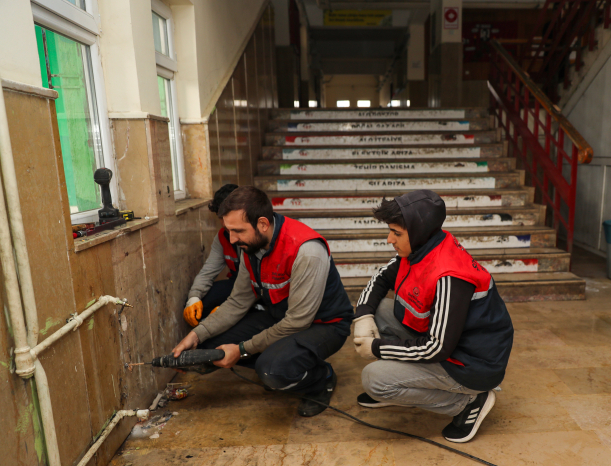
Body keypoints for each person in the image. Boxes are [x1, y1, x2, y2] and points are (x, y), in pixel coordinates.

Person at [172, 186, 354, 417]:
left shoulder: (305, 250)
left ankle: (321, 378)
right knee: (210, 346)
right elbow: (238, 302)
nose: (232, 239)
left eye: (238, 231)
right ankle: (284, 360)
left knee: (271, 370)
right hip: (281, 317)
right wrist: (195, 335)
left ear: (263, 224)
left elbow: (298, 322)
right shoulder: (252, 246)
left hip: (324, 325)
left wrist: (241, 350)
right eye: (228, 230)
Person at [352, 190, 514, 443]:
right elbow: (382, 277)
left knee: (374, 380)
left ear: (416, 231)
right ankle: (401, 389)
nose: (389, 239)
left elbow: (437, 348)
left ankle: (467, 402)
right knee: (380, 310)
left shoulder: (449, 276)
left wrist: (377, 348)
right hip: (448, 342)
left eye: (396, 233)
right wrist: (362, 316)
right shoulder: (421, 247)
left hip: (470, 365)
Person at [183, 183, 240, 327]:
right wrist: (194, 298)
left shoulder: (255, 235)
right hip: (236, 285)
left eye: (228, 214)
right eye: (220, 216)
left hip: (258, 291)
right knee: (203, 302)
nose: (224, 222)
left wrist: (228, 308)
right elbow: (207, 272)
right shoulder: (222, 237)